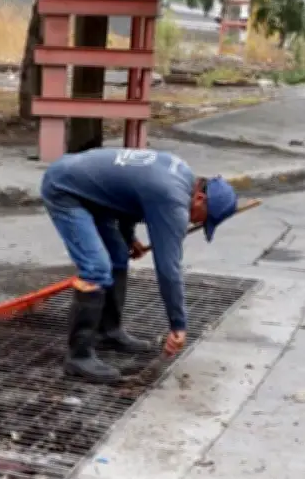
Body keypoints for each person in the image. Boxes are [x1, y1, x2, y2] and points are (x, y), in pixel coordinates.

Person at [40, 147, 238, 384]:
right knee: (96, 269)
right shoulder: (173, 199)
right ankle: (78, 356)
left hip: (90, 187)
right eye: (202, 218)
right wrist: (178, 324)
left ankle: (108, 331)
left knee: (118, 255)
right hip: (65, 189)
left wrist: (128, 236)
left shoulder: (180, 173)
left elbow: (129, 193)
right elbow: (168, 269)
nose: (195, 221)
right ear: (200, 198)